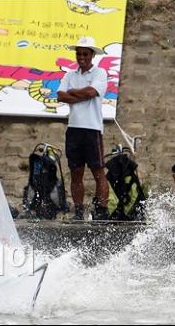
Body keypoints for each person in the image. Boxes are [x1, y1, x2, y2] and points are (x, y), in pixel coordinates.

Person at [57, 36, 109, 221]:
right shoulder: (70, 74)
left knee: (98, 172)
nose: (81, 57)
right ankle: (78, 210)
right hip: (74, 128)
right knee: (76, 172)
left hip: (92, 128)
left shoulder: (100, 73)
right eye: (78, 53)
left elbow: (91, 93)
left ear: (92, 55)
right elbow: (61, 96)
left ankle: (102, 210)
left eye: (85, 54)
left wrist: (73, 93)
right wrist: (82, 94)